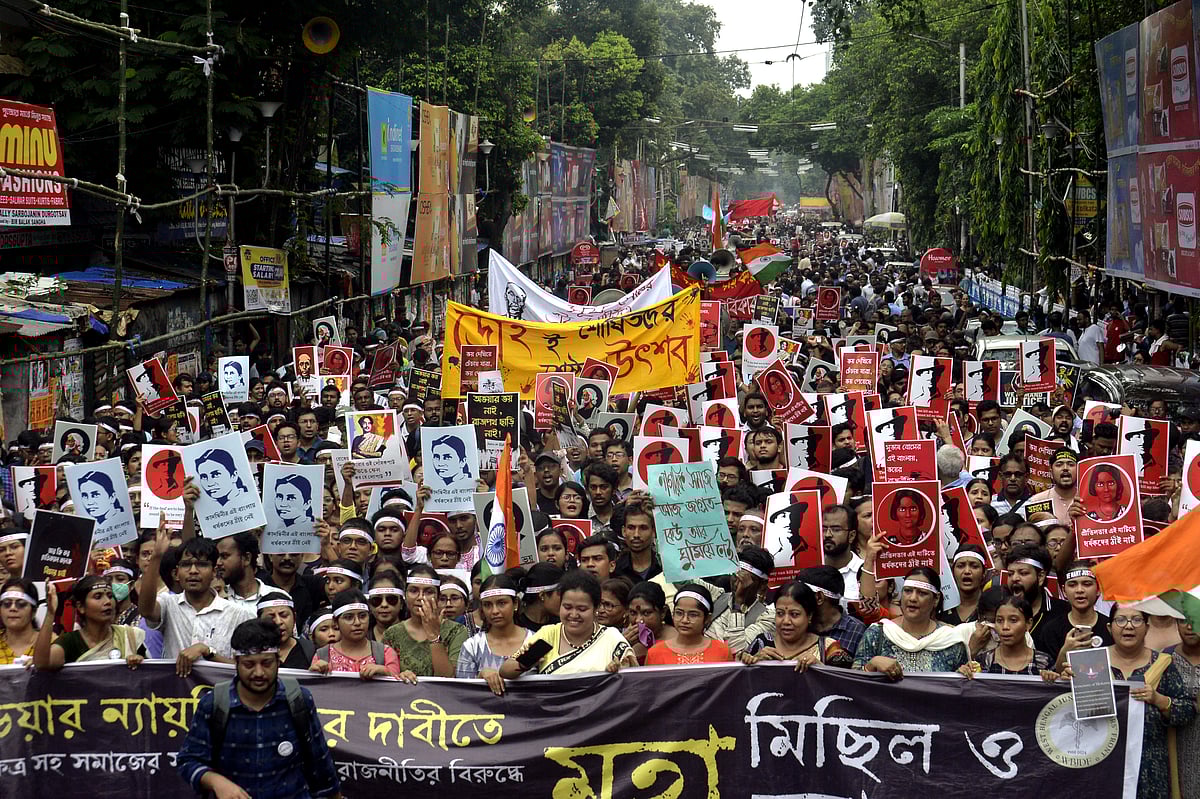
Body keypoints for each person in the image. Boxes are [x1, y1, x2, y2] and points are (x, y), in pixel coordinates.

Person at [176, 619, 343, 799]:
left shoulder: (298, 700)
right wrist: (216, 781)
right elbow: (188, 760)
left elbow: (320, 763)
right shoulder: (214, 704)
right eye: (249, 665)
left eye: (266, 663)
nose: (259, 673)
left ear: (278, 661)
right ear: (236, 662)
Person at [1090, 604, 1197, 799]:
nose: (1128, 626)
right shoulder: (1090, 663)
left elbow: (1187, 712)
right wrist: (1061, 680)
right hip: (1102, 767)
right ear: (1109, 628)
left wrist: (1159, 700)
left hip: (1149, 770)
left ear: (1147, 628)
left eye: (1137, 620)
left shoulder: (1162, 664)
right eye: (1121, 620)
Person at [138, 523, 256, 671]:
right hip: (175, 692)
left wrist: (208, 652)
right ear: (176, 573)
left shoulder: (239, 614)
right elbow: (146, 610)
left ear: (214, 572)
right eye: (186, 564)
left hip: (220, 693)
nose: (193, 571)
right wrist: (156, 556)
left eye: (201, 564)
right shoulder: (169, 604)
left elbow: (248, 667)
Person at [499, 569, 637, 681]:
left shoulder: (611, 638)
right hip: (554, 712)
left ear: (595, 609)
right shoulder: (548, 634)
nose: (573, 614)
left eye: (582, 609)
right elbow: (505, 671)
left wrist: (616, 672)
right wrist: (524, 663)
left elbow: (632, 681)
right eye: (567, 607)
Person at [853, 568, 972, 678]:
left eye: (922, 593)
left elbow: (962, 691)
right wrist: (872, 665)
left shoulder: (951, 641)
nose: (913, 598)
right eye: (908, 591)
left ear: (935, 599)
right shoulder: (878, 633)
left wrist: (960, 677)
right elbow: (853, 683)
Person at [33, 577, 146, 668]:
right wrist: (50, 613)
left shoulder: (129, 637)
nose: (107, 602)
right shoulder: (70, 642)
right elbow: (42, 663)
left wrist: (139, 662)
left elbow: (150, 676)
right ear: (81, 607)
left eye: (110, 596)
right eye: (98, 597)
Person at [382, 565, 468, 676]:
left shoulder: (456, 631)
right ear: (405, 595)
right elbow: (387, 677)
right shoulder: (391, 634)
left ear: (438, 597)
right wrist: (400, 676)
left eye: (428, 592)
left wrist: (434, 636)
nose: (420, 597)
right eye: (413, 591)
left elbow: (449, 679)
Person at [310, 590, 415, 681]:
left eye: (362, 616)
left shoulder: (385, 653)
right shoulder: (322, 655)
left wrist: (384, 672)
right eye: (349, 617)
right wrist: (314, 673)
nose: (357, 622)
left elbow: (398, 692)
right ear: (336, 622)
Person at [742, 581, 852, 668]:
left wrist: (820, 668)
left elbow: (846, 687)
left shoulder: (827, 648)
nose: (785, 621)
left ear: (809, 616)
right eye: (780, 613)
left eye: (794, 614)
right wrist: (753, 663)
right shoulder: (762, 642)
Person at [458, 574, 533, 693]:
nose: (495, 611)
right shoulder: (472, 647)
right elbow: (462, 694)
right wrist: (480, 678)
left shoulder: (534, 641)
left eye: (502, 603)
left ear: (515, 604)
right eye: (487, 605)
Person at [959, 591, 1056, 676]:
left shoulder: (1043, 662)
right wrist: (962, 673)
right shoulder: (984, 662)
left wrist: (1051, 678)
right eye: (999, 620)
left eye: (1013, 620)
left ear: (1028, 624)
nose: (1005, 627)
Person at [1040, 561, 1113, 670]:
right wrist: (1064, 652)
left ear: (1098, 589)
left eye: (1087, 584)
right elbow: (1047, 676)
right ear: (1064, 591)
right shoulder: (1050, 630)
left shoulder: (1111, 628)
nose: (1079, 590)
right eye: (1072, 585)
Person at [706, 547, 775, 654]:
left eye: (745, 580)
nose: (738, 583)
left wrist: (738, 603)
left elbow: (734, 650)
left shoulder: (767, 618)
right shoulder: (717, 595)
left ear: (762, 585)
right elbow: (680, 578)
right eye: (736, 575)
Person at [644, 584, 732, 665]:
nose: (685, 620)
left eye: (693, 615)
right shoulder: (655, 653)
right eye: (679, 613)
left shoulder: (721, 651)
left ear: (707, 618)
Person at [257, 592, 316, 670]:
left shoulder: (310, 650)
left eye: (284, 615)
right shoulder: (251, 651)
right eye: (271, 617)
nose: (278, 622)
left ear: (294, 618)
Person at [0, 578, 39, 665]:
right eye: (7, 604)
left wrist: (42, 662)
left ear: (33, 611)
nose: (13, 608)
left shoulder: (51, 642)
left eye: (21, 604)